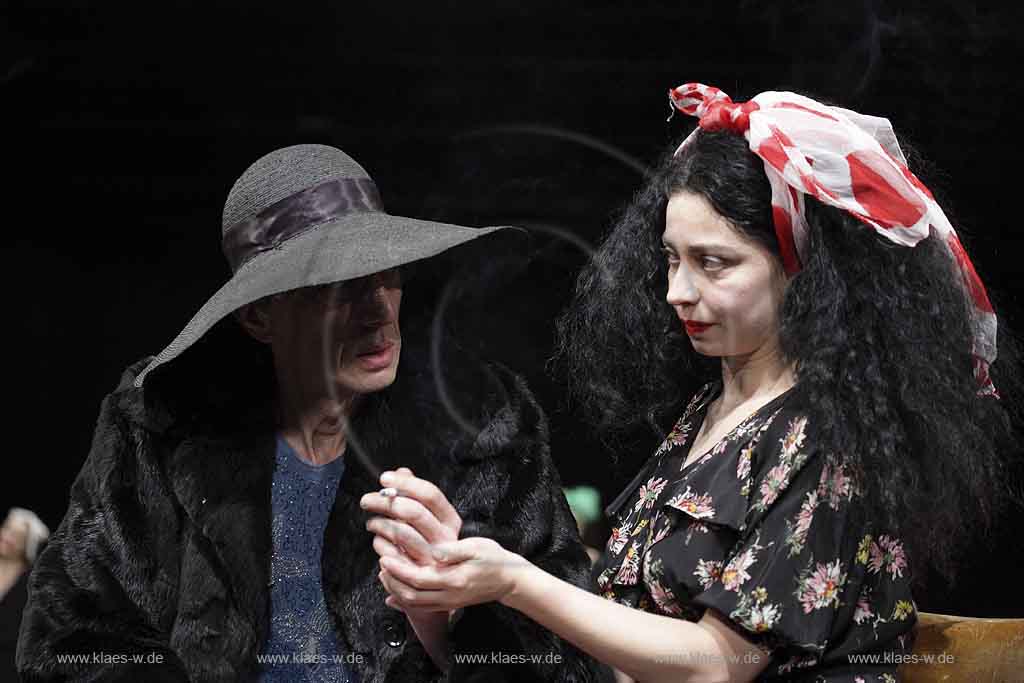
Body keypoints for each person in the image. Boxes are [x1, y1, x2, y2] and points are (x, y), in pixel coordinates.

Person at [360, 85, 1019, 681]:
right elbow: (625, 642)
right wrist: (452, 586)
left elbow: (718, 664)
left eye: (714, 263)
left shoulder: (826, 434)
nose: (678, 290)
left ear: (803, 270)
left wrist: (512, 579)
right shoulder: (712, 411)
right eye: (672, 258)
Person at [16, 144, 610, 682]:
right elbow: (72, 643)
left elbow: (570, 662)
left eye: (386, 275)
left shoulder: (480, 424)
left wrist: (458, 615)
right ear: (260, 317)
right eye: (339, 288)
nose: (378, 311)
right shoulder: (160, 426)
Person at [1, 508, 49, 681]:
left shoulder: (33, 582)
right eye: (7, 529)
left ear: (27, 545)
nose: (7, 537)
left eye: (17, 535)